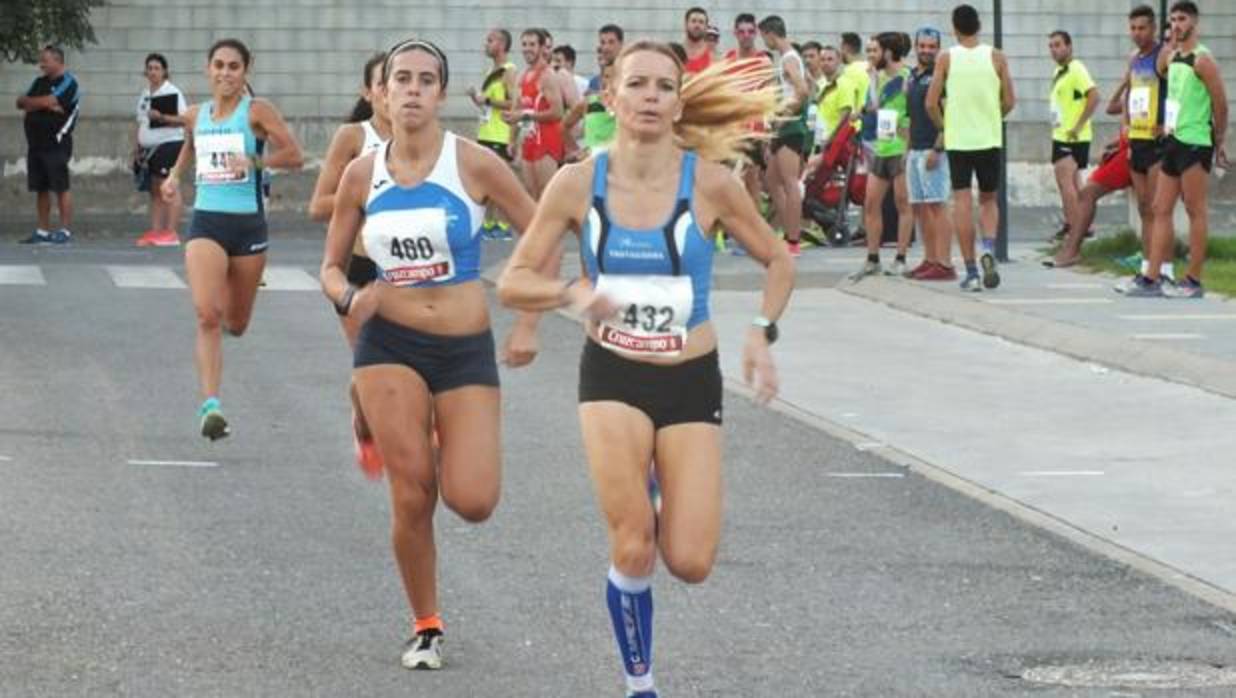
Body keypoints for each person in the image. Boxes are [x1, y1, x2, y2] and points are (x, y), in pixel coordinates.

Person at [497, 42, 793, 698]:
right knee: (633, 545)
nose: (651, 96)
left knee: (690, 562)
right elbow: (513, 280)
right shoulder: (577, 183)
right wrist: (571, 295)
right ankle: (641, 684)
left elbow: (779, 260)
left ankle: (658, 485)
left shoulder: (711, 182)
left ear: (679, 102)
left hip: (691, 377)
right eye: (638, 84)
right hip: (613, 376)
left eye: (665, 86)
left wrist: (761, 333)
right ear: (611, 95)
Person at [320, 38, 544, 670]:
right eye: (402, 79)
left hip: (463, 347)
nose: (412, 90)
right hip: (387, 345)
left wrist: (527, 321)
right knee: (413, 492)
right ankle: (426, 624)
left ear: (441, 94)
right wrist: (349, 297)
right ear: (382, 92)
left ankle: (385, 416)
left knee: (473, 501)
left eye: (425, 80)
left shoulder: (472, 164)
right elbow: (331, 267)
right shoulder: (362, 175)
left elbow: (543, 234)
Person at [161, 38, 303, 439]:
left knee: (236, 324)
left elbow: (294, 155)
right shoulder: (196, 114)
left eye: (234, 66)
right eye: (219, 65)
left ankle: (225, 320)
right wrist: (173, 177)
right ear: (208, 69)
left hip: (248, 228)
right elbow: (191, 146)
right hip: (207, 222)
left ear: (245, 72)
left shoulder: (257, 112)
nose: (225, 73)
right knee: (206, 314)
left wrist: (257, 160)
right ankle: (211, 407)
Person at [306, 52, 391, 474]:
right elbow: (318, 204)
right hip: (357, 268)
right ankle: (365, 423)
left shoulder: (430, 140)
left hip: (409, 270)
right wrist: (367, 203)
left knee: (418, 357)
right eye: (385, 83)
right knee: (371, 361)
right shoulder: (354, 137)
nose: (396, 92)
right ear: (369, 91)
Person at [1129, 0, 1229, 298]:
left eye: (1182, 19)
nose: (1177, 24)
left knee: (1195, 209)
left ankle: (1193, 280)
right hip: (1172, 140)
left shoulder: (1203, 60)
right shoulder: (1172, 58)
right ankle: (1152, 277)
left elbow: (1221, 104)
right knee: (1160, 208)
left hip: (1196, 141)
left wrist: (1219, 140)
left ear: (1194, 23)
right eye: (1173, 19)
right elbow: (1155, 73)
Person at [926, 4, 1016, 291]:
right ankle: (988, 247)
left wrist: (945, 126)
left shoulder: (946, 58)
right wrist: (992, 115)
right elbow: (1010, 100)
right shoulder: (996, 56)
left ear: (954, 28)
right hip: (989, 138)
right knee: (989, 199)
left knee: (962, 201)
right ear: (978, 26)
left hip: (959, 141)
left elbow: (930, 102)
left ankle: (972, 271)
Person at [1104, 5, 1176, 285]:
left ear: (1154, 28)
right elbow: (1130, 94)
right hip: (1137, 140)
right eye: (1133, 28)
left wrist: (1169, 124)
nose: (1137, 33)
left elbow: (1180, 89)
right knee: (1145, 208)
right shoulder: (1134, 59)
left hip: (1159, 142)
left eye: (1142, 28)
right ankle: (1147, 267)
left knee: (1160, 209)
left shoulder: (1164, 55)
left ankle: (1166, 269)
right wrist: (1125, 127)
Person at [851, 32, 913, 279]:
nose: (870, 56)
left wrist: (908, 142)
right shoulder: (879, 76)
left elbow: (913, 111)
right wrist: (873, 81)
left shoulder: (907, 77)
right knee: (871, 203)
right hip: (881, 145)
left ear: (888, 52)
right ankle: (872, 257)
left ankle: (900, 257)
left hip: (901, 146)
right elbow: (876, 108)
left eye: (875, 50)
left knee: (902, 203)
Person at [903, 27, 955, 280]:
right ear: (916, 47)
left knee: (937, 206)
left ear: (938, 48)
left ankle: (945, 263)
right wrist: (908, 149)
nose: (926, 51)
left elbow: (949, 114)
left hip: (934, 150)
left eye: (931, 47)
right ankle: (930, 258)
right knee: (921, 208)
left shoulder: (942, 75)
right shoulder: (912, 76)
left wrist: (938, 146)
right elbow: (912, 116)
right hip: (915, 150)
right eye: (922, 46)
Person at [16, 45, 79, 245]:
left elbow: (51, 100)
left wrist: (36, 103)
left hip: (57, 142)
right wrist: (42, 104)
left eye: (45, 60)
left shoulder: (69, 82)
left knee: (60, 187)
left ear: (58, 61)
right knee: (41, 188)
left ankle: (65, 230)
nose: (41, 64)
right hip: (36, 143)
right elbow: (20, 101)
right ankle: (42, 231)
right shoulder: (38, 82)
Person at [760, 15, 810, 257]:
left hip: (792, 129)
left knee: (790, 184)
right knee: (770, 181)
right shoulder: (788, 59)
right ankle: (786, 230)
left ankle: (793, 240)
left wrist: (783, 114)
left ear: (770, 33)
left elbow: (803, 90)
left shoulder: (789, 58)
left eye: (764, 37)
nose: (764, 42)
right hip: (784, 128)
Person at [1047, 30, 1100, 243]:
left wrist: (1077, 126)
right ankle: (1083, 226)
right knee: (1075, 182)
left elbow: (1094, 96)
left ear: (1069, 46)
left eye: (1058, 45)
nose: (1054, 49)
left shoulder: (1076, 69)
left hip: (1071, 136)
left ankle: (1074, 229)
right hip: (1061, 133)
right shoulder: (1060, 71)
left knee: (1064, 181)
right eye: (1051, 46)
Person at [132, 53, 188, 247]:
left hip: (169, 144)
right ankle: (156, 231)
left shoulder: (172, 92)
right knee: (155, 190)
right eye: (150, 68)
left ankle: (171, 232)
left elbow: (184, 120)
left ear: (164, 71)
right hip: (149, 149)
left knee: (169, 187)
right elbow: (140, 122)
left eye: (157, 68)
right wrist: (137, 147)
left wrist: (162, 117)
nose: (153, 72)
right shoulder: (145, 93)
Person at [468, 28, 519, 237]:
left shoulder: (509, 70)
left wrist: (487, 100)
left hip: (500, 135)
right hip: (486, 133)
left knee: (500, 182)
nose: (486, 44)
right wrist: (476, 98)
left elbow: (512, 103)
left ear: (502, 44)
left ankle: (505, 225)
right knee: (486, 182)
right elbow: (487, 107)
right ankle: (489, 224)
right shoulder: (490, 71)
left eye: (490, 40)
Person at [724, 13, 774, 210]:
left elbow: (770, 99)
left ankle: (756, 231)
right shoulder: (728, 60)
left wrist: (767, 133)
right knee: (728, 180)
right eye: (742, 31)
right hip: (730, 129)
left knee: (752, 181)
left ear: (756, 34)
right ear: (736, 33)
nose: (746, 35)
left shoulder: (763, 62)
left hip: (754, 130)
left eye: (750, 31)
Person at [508, 29, 564, 200]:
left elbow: (558, 112)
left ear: (541, 47)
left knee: (547, 197)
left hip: (546, 141)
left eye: (532, 44)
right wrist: (511, 140)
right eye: (524, 44)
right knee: (531, 195)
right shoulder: (522, 76)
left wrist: (525, 116)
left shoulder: (547, 75)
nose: (527, 49)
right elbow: (517, 110)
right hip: (528, 140)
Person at [589, 24, 626, 94]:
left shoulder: (628, 75)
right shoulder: (594, 81)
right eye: (602, 43)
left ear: (621, 44)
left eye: (611, 42)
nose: (606, 47)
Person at [682, 7, 712, 75]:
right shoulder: (676, 53)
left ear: (706, 27)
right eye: (693, 21)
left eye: (701, 22)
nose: (697, 25)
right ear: (685, 25)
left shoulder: (714, 56)